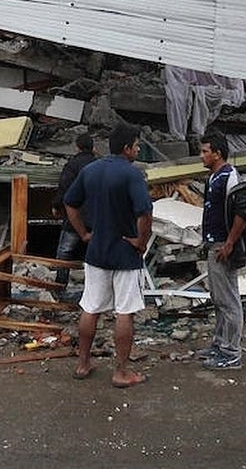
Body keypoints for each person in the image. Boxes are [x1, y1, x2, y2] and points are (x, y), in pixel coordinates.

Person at [63, 122, 153, 388]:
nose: (137, 150)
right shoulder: (131, 174)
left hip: (96, 251)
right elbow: (145, 213)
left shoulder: (90, 170)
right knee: (124, 312)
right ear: (127, 148)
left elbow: (70, 202)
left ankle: (83, 364)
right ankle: (122, 372)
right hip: (125, 252)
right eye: (136, 146)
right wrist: (141, 241)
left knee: (90, 308)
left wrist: (83, 233)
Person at [197, 130, 246, 371]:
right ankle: (220, 343)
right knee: (218, 298)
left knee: (228, 300)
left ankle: (231, 353)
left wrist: (229, 243)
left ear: (217, 154)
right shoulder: (213, 178)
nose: (201, 156)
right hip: (214, 243)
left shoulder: (231, 177)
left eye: (205, 151)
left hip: (223, 245)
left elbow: (243, 213)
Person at [52, 133, 98, 291]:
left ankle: (60, 284)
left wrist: (57, 206)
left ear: (77, 147)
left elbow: (64, 188)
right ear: (93, 148)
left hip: (74, 216)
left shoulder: (71, 165)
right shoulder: (99, 165)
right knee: (94, 253)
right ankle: (95, 288)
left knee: (65, 250)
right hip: (95, 216)